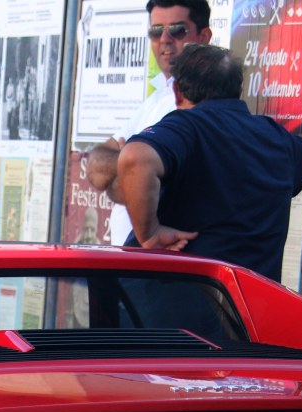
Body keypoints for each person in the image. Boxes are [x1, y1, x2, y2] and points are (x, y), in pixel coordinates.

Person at [115, 43, 302, 281]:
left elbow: (135, 158)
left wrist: (149, 234)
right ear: (239, 89)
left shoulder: (186, 127)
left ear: (177, 91)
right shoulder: (274, 137)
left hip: (174, 300)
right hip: (248, 309)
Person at [85, 0, 213, 245]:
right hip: (128, 261)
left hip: (160, 263)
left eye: (177, 30)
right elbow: (96, 168)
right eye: (156, 31)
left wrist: (127, 165)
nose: (164, 39)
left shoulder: (202, 102)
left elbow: (161, 191)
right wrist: (133, 168)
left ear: (203, 36)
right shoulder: (156, 98)